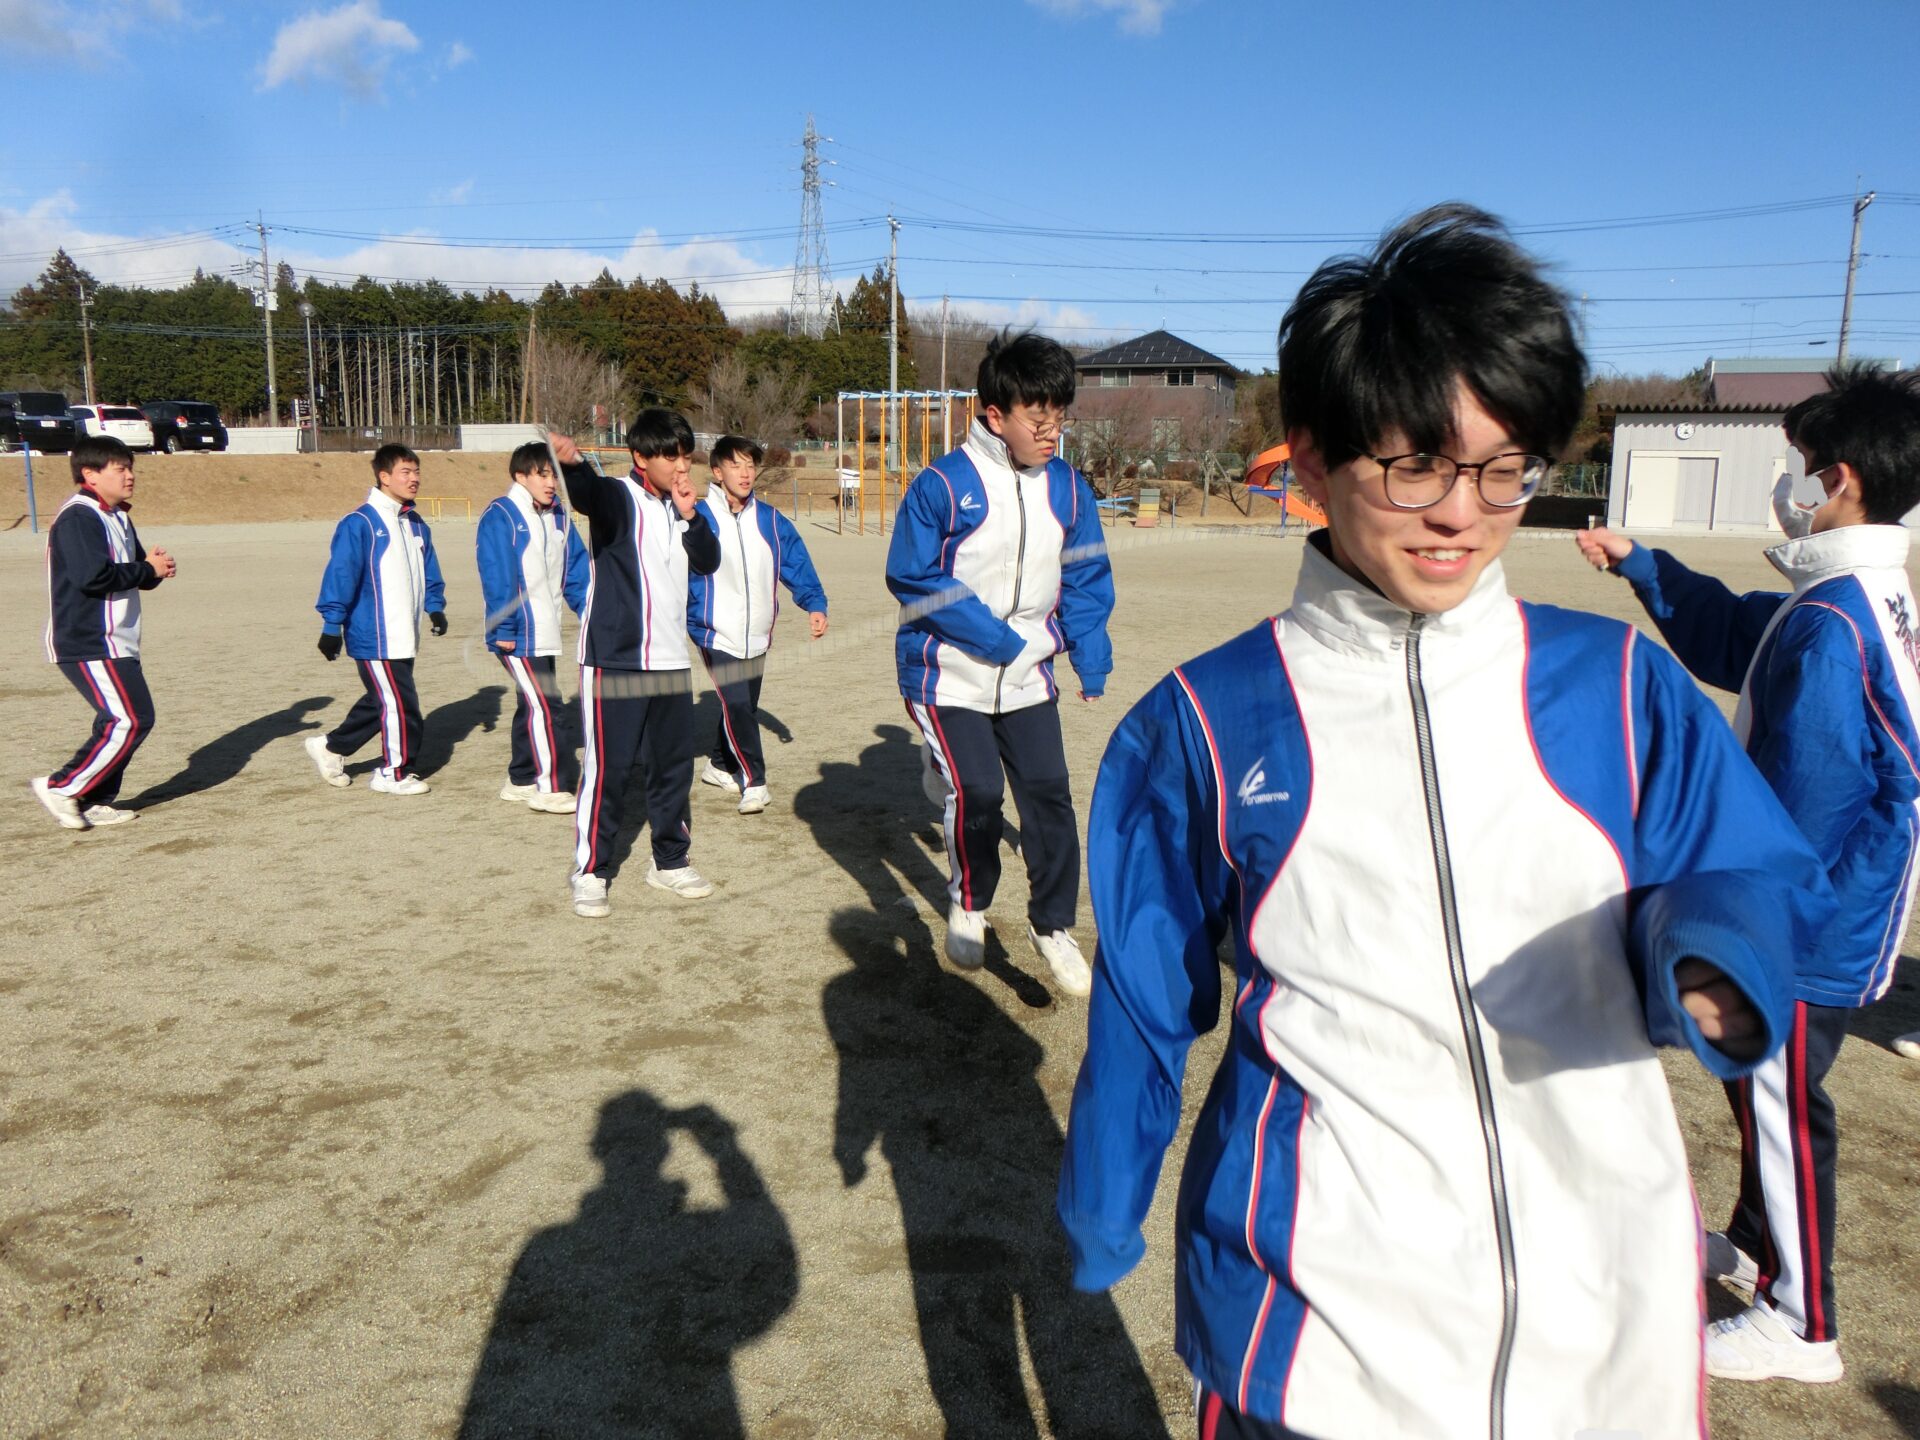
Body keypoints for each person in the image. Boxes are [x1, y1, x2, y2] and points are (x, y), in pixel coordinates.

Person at [1057, 205, 1835, 1440]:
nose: (1462, 513)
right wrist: (1106, 1200)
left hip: (1599, 1311)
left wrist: (1713, 951)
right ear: (1313, 463)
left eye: (1501, 467)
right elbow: (1146, 994)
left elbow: (1750, 868)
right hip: (1316, 1328)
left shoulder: (1618, 688)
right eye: (1416, 463)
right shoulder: (1202, 722)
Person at [1574, 361, 1920, 1384]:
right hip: (1826, 905)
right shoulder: (1848, 597)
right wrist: (1645, 565)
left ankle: (1802, 1324)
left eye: (1799, 463)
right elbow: (1739, 635)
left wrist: (1737, 912)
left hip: (1807, 918)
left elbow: (1805, 798)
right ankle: (1755, 1244)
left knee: (1780, 1103)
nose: (1787, 483)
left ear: (1839, 479)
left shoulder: (1835, 623)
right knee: (1759, 1090)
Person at [885, 330, 1114, 997]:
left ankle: (1053, 923)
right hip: (947, 672)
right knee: (980, 792)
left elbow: (1087, 575)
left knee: (1049, 792)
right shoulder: (942, 484)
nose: (1052, 431)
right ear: (995, 414)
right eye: (1038, 419)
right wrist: (998, 641)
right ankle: (970, 901)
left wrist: (1088, 656)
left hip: (1028, 676)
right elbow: (913, 576)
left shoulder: (1069, 489)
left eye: (1060, 416)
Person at [551, 412, 720, 919]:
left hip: (670, 659)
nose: (680, 465)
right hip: (615, 659)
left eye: (685, 454)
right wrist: (574, 465)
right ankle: (591, 871)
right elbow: (588, 495)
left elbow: (708, 561)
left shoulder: (684, 506)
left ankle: (670, 860)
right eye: (669, 455)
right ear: (640, 458)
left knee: (672, 768)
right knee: (609, 769)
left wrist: (691, 516)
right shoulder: (618, 497)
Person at [31, 435, 177, 829]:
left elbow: (136, 571)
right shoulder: (79, 517)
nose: (130, 476)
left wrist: (156, 570)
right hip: (88, 638)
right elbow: (91, 577)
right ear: (90, 474)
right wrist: (146, 569)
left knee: (119, 718)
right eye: (120, 469)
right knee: (131, 718)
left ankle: (92, 799)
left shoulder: (118, 516)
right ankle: (62, 786)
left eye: (131, 468)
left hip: (118, 639)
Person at [688, 435, 829, 815]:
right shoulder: (698, 519)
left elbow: (795, 562)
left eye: (750, 465)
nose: (745, 472)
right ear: (717, 472)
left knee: (743, 707)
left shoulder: (769, 519)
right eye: (735, 465)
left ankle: (719, 764)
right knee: (737, 704)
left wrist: (814, 604)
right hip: (713, 630)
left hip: (758, 633)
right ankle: (755, 781)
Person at [304, 443, 447, 796]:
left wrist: (435, 606)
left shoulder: (415, 524)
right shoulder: (361, 523)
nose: (414, 479)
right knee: (401, 704)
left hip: (405, 633)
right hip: (374, 635)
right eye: (405, 472)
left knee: (382, 700)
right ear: (384, 477)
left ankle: (330, 747)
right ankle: (392, 773)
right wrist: (331, 626)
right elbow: (341, 574)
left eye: (416, 472)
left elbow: (429, 569)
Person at [477, 441, 589, 814]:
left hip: (545, 631)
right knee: (547, 706)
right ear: (520, 476)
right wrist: (505, 628)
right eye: (542, 474)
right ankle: (551, 787)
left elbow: (576, 572)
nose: (551, 483)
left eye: (554, 475)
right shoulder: (501, 515)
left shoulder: (558, 516)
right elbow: (498, 576)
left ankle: (521, 778)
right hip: (517, 633)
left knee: (533, 703)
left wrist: (591, 611)